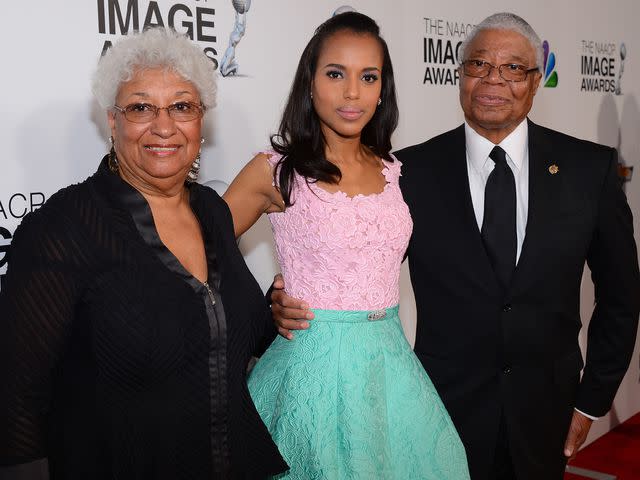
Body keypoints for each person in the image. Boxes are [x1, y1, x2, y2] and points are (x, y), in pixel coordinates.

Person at [272, 12, 640, 480]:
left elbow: (622, 297)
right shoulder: (406, 172)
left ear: (535, 81)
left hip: (547, 412)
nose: (493, 80)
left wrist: (592, 402)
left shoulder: (591, 169)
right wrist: (280, 298)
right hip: (434, 411)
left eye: (512, 68)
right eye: (478, 65)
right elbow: (352, 260)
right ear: (459, 74)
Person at [0, 28, 287, 479]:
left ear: (200, 121)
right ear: (112, 122)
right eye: (140, 107)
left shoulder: (211, 210)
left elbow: (224, 338)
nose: (164, 125)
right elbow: (16, 400)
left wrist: (276, 312)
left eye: (182, 106)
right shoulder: (63, 228)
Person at [223, 11, 470, 480]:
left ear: (383, 90)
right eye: (336, 74)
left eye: (368, 77)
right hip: (310, 374)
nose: (352, 92)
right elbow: (200, 251)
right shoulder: (275, 172)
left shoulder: (395, 171)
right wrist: (264, 307)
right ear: (310, 83)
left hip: (389, 368)